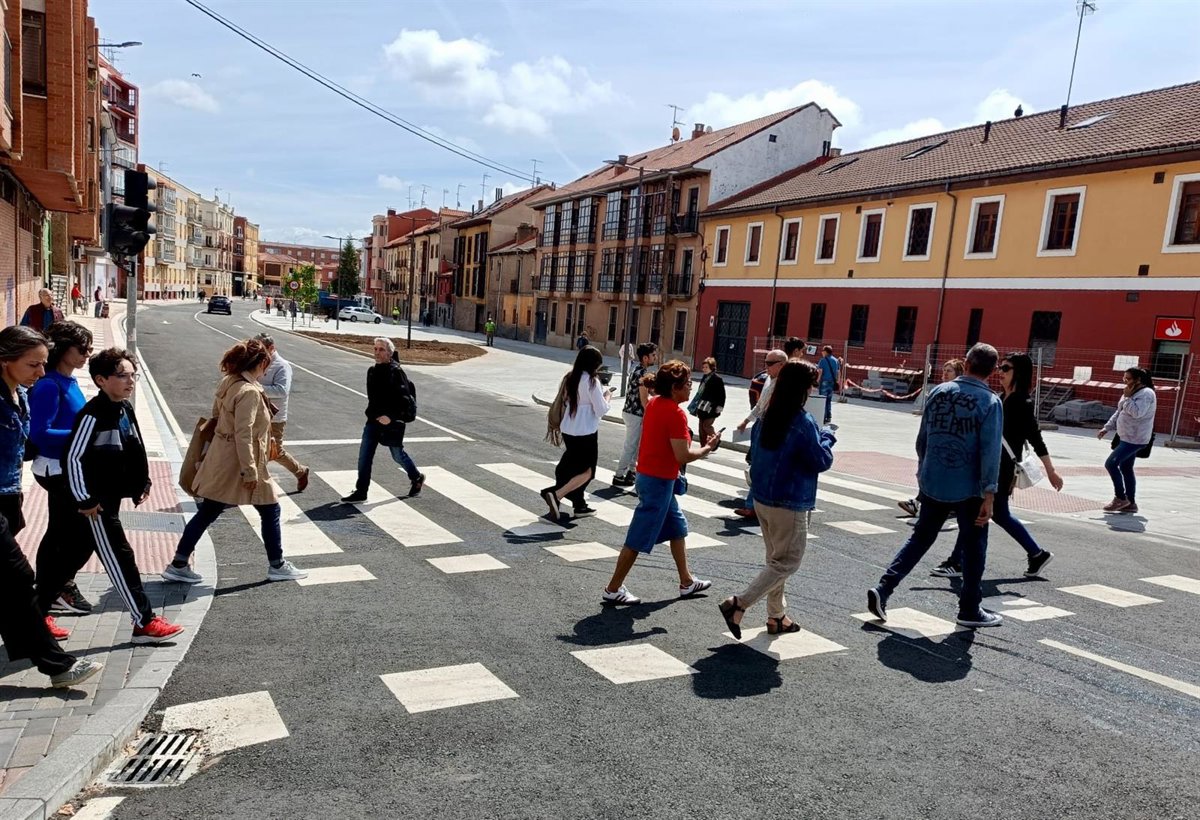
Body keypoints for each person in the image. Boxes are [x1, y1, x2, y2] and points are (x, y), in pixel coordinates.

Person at [866, 343, 1004, 629]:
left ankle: (884, 588)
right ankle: (969, 608)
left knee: (921, 538)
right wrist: (989, 493)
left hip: (934, 478)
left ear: (966, 363)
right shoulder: (990, 402)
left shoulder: (939, 392)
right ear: (992, 371)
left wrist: (923, 468)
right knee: (974, 545)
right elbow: (990, 452)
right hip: (970, 486)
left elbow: (923, 438)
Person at [57, 348, 186, 643]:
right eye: (122, 375)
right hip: (96, 505)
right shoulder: (93, 414)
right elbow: (73, 458)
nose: (130, 381)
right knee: (120, 557)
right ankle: (144, 621)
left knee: (65, 560)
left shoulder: (124, 408)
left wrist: (142, 481)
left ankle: (33, 617)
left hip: (110, 499)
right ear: (101, 380)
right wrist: (85, 499)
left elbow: (134, 446)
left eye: (133, 375)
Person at [0, 326, 103, 688]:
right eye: (33, 365)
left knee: (9, 584)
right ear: (5, 361)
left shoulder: (20, 395)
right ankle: (57, 666)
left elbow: (24, 445)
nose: (41, 372)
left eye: (43, 364)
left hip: (8, 496)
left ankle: (33, 644)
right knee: (19, 577)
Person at [164, 339, 307, 584]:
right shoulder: (249, 391)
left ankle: (179, 562)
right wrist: (250, 470)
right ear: (260, 363)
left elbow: (217, 417)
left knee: (208, 511)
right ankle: (277, 565)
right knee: (270, 509)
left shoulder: (229, 381)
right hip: (242, 461)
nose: (266, 370)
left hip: (222, 459)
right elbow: (244, 433)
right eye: (265, 365)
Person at [719, 362, 835, 638]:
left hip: (763, 499)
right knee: (787, 562)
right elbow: (821, 460)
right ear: (803, 389)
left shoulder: (766, 416)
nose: (813, 390)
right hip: (789, 501)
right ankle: (738, 603)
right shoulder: (803, 422)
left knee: (775, 560)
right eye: (811, 385)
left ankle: (776, 616)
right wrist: (828, 437)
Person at [930, 353, 1062, 579]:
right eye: (1000, 367)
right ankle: (1037, 554)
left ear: (1019, 373)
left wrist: (1051, 471)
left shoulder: (1021, 403)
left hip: (1001, 469)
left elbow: (1035, 438)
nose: (1000, 372)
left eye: (1006, 368)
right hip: (990, 464)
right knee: (998, 514)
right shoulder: (1001, 398)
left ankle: (957, 561)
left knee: (976, 512)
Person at [602, 360, 719, 604]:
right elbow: (682, 455)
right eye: (688, 383)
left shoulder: (655, 402)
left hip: (652, 476)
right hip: (658, 481)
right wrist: (708, 448)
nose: (691, 387)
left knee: (677, 527)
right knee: (638, 535)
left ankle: (686, 581)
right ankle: (613, 588)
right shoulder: (675, 413)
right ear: (675, 387)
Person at [29, 322, 95, 616]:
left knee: (60, 533)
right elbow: (39, 434)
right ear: (63, 349)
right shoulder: (49, 385)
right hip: (54, 469)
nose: (87, 354)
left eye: (89, 348)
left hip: (69, 467)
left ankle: (55, 588)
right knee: (80, 535)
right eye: (82, 348)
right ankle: (51, 591)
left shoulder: (70, 381)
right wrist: (86, 434)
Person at [340, 337, 425, 503]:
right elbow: (373, 398)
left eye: (381, 349)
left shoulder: (397, 372)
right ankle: (361, 491)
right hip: (373, 421)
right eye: (375, 349)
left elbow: (404, 401)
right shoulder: (372, 371)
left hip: (392, 423)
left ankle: (416, 477)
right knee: (364, 456)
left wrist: (390, 417)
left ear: (390, 353)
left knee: (397, 455)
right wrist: (374, 415)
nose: (377, 353)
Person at [542, 346, 611, 519]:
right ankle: (556, 494)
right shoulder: (592, 382)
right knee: (588, 472)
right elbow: (601, 410)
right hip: (586, 431)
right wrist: (607, 396)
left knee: (573, 467)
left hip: (568, 429)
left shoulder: (570, 377)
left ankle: (579, 505)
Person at [898, 358, 966, 518]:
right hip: (932, 439)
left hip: (948, 441)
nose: (945, 373)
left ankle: (923, 503)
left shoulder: (960, 394)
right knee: (928, 471)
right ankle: (922, 502)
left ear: (958, 374)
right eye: (944, 370)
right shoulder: (939, 391)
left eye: (949, 371)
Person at [732, 350, 788, 519]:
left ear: (782, 365)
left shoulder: (787, 384)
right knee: (757, 464)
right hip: (761, 424)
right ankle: (756, 505)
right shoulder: (769, 380)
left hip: (773, 426)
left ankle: (755, 506)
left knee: (763, 465)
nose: (766, 367)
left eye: (770, 364)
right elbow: (760, 404)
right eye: (765, 362)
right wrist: (746, 421)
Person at [1098, 367, 1157, 515]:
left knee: (1111, 464)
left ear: (1138, 380)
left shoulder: (1146, 394)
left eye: (1128, 378)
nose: (1125, 381)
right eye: (1124, 378)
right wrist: (1107, 427)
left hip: (1136, 438)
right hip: (1125, 436)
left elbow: (1137, 413)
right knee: (1126, 468)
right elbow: (1119, 411)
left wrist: (1128, 398)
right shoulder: (1129, 392)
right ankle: (1131, 503)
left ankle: (1120, 498)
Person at [255, 334, 309, 493]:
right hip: (257, 414)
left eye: (262, 349)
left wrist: (255, 388)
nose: (258, 353)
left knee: (275, 451)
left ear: (272, 348)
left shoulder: (282, 366)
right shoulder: (258, 362)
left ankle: (301, 472)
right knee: (255, 450)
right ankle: (253, 485)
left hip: (275, 418)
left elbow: (281, 390)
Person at [612, 343, 658, 488]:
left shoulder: (637, 369)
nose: (655, 357)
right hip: (635, 413)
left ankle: (631, 472)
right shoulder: (642, 374)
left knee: (636, 445)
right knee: (631, 446)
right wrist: (653, 415)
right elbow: (644, 399)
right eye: (653, 355)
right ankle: (619, 475)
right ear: (645, 358)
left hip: (631, 412)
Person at [689, 356, 726, 446]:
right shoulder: (705, 377)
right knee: (701, 428)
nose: (704, 369)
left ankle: (716, 440)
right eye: (703, 367)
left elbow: (722, 395)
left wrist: (720, 407)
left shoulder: (717, 379)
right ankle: (703, 446)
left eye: (706, 367)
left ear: (712, 367)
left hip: (712, 407)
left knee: (706, 425)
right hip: (702, 406)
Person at [816, 345, 840, 425]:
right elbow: (838, 372)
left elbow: (820, 372)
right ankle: (828, 416)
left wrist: (817, 381)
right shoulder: (836, 360)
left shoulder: (822, 360)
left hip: (824, 382)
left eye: (823, 351)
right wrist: (837, 381)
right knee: (829, 400)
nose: (822, 352)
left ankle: (823, 417)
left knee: (823, 399)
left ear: (826, 352)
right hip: (832, 382)